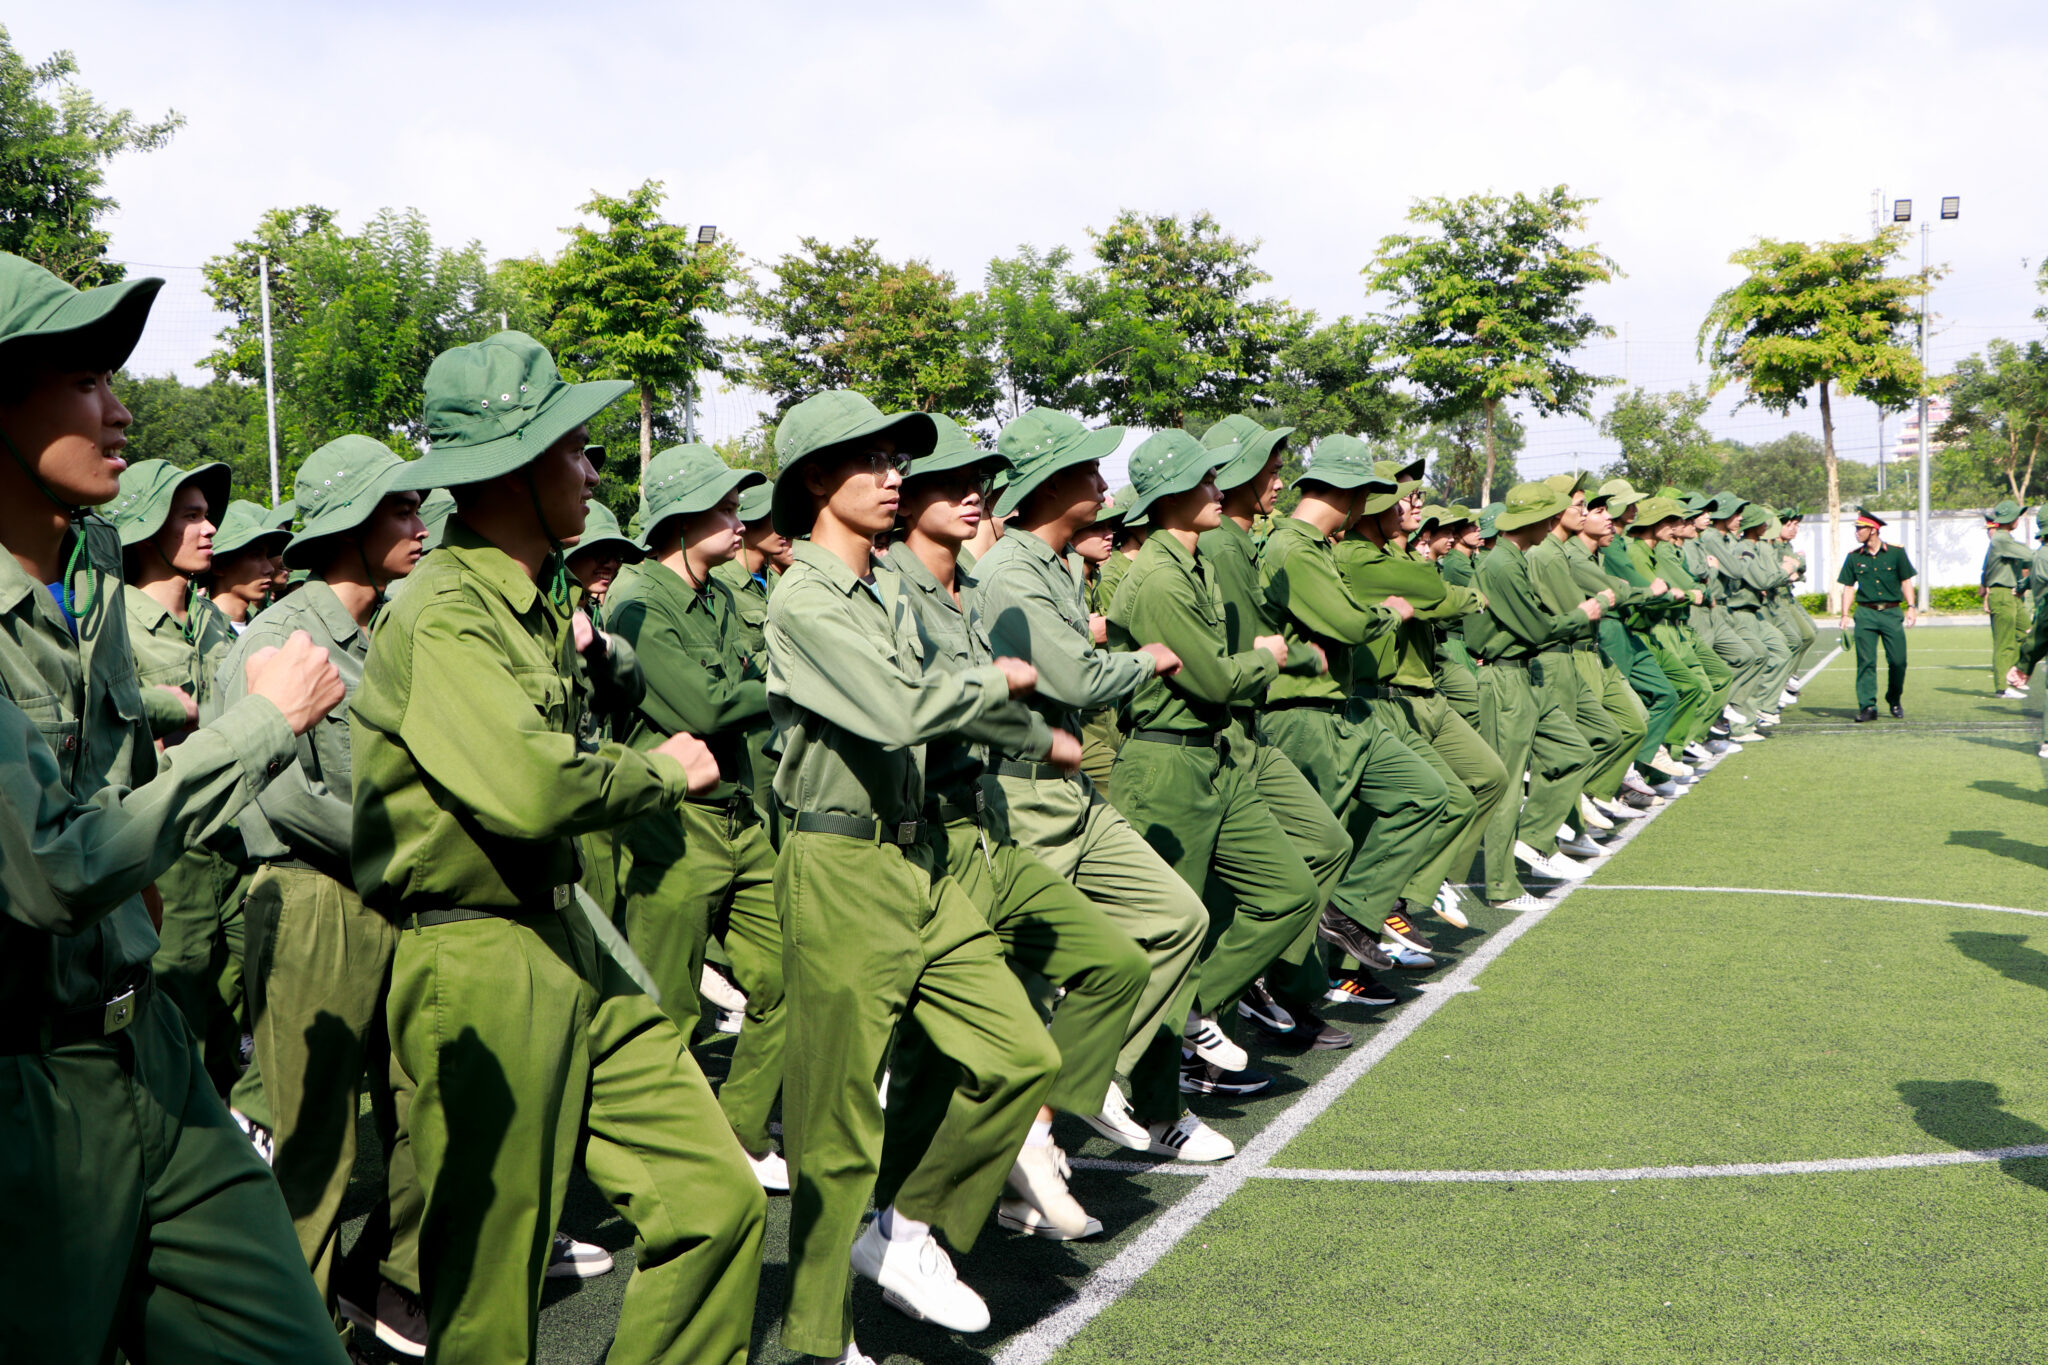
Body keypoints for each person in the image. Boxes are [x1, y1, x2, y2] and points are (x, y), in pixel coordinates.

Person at [350, 331, 764, 1365]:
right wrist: (663, 770)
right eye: (574, 448)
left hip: (562, 930)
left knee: (717, 1201)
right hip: (476, 950)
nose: (592, 469)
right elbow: (531, 785)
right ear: (513, 468)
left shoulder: (534, 600)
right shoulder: (446, 610)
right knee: (492, 1290)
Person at [0, 247, 355, 1365]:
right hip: (30, 1083)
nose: (120, 411)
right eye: (84, 380)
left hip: (146, 1046)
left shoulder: (88, 565)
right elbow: (53, 870)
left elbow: (110, 776)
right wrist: (262, 723)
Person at [762, 389, 1060, 1364]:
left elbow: (941, 693)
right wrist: (996, 681)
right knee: (837, 1118)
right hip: (839, 862)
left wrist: (1020, 716)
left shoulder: (886, 586)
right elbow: (898, 709)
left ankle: (907, 1226)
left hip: (914, 853)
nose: (896, 477)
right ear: (816, 479)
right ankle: (821, 1336)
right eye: (874, 461)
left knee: (1021, 1054)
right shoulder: (805, 597)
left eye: (898, 459)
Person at [877, 415, 1145, 1240]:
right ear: (908, 498)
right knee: (930, 1057)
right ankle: (911, 1217)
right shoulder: (891, 587)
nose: (974, 496)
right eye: (951, 485)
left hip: (986, 823)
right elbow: (924, 705)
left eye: (979, 485)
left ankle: (1020, 1141)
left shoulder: (963, 582)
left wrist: (1030, 729)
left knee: (1112, 964)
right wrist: (1021, 717)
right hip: (929, 832)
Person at [213, 434, 433, 1338]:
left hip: (393, 896)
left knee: (430, 1109)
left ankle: (381, 1283)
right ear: (350, 524)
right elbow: (280, 791)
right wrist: (412, 852)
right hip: (314, 898)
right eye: (401, 509)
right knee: (313, 1146)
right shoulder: (281, 637)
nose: (421, 524)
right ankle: (289, 1334)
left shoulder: (386, 632)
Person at [973, 409, 1223, 1159]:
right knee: (1021, 980)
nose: (1104, 483)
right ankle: (1006, 1157)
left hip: (1069, 790)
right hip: (1023, 795)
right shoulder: (1013, 570)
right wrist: (1149, 658)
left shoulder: (1053, 563)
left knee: (1177, 918)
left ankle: (1084, 1082)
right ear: (1050, 488)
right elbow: (1078, 680)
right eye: (1087, 470)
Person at [1104, 430, 1329, 1091]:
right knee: (1167, 935)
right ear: (1170, 495)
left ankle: (1193, 1010)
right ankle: (1156, 1101)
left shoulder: (1191, 561)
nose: (1217, 489)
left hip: (1212, 757)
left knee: (1289, 894)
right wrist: (1268, 658)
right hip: (1166, 766)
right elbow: (1214, 681)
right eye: (1204, 480)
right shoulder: (1159, 578)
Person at [596, 442, 793, 1191]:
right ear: (679, 521)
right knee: (666, 1009)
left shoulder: (716, 596)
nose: (740, 521)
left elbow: (739, 683)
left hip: (738, 814)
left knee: (787, 977)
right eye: (724, 508)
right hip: (673, 823)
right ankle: (664, 1165)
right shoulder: (637, 600)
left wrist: (762, 684)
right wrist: (789, 684)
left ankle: (737, 1129)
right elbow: (705, 706)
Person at [107, 457, 253, 1091]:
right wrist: (163, 707)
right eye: (190, 516)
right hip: (169, 850)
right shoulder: (109, 622)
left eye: (207, 514)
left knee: (247, 1017)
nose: (209, 528)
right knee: (179, 1020)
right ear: (146, 529)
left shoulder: (213, 620)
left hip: (236, 838)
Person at [1470, 482, 1606, 908]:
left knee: (1574, 752)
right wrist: (1581, 615)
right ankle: (1502, 888)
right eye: (1548, 515)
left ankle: (1531, 839)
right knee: (1508, 787)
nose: (1554, 522)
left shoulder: (1514, 559)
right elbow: (1537, 629)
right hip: (1507, 678)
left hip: (1527, 675)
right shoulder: (1501, 564)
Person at [1836, 506, 1917, 722]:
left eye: (1860, 528)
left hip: (1891, 613)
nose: (1857, 532)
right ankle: (1868, 706)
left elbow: (1906, 581)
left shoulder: (1896, 553)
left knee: (1898, 661)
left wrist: (1911, 606)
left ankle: (1894, 699)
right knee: (1866, 662)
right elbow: (1848, 587)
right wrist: (1845, 614)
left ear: (1873, 530)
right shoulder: (1854, 557)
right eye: (1856, 528)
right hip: (1866, 614)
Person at [206, 499, 293, 630]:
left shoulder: (265, 629)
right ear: (219, 566)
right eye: (255, 556)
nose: (269, 568)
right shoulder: (201, 632)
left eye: (266, 556)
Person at [1981, 500, 2032, 697]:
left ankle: (2013, 674)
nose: (2018, 519)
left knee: (2027, 633)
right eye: (2016, 516)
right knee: (2004, 642)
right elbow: (2030, 555)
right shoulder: (2001, 539)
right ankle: (2002, 687)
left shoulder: (2005, 540)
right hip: (2002, 593)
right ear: (2010, 519)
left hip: (2012, 594)